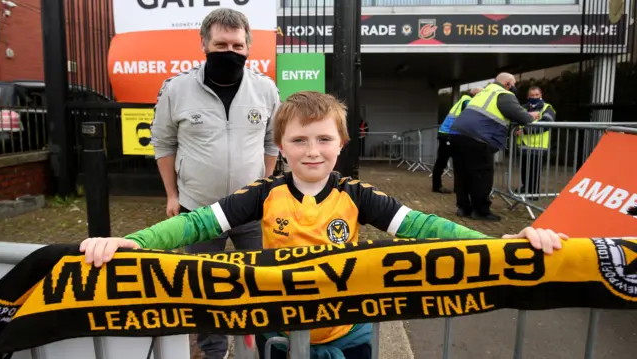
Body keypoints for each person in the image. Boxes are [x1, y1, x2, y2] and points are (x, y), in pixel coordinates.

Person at [81, 91, 567, 359]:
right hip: (280, 336)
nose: (312, 150)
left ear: (340, 144)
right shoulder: (262, 194)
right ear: (281, 147)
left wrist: (497, 243)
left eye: (323, 139)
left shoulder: (356, 195)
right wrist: (132, 242)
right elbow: (194, 224)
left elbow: (422, 225)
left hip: (351, 337)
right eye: (299, 140)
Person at [149, 8, 280, 359]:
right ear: (204, 44)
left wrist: (264, 188)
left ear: (249, 47)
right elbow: (163, 144)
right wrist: (172, 195)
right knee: (204, 287)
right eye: (221, 43)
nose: (230, 51)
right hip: (199, 209)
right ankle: (214, 351)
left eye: (238, 44)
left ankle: (259, 347)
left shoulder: (265, 90)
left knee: (260, 283)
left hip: (252, 210)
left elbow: (272, 143)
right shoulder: (176, 89)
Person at [450, 73, 540, 222]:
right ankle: (481, 211)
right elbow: (522, 117)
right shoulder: (503, 95)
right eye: (514, 83)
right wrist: (533, 115)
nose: (515, 87)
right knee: (482, 176)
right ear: (507, 84)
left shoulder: (484, 93)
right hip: (478, 139)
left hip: (457, 135)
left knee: (463, 174)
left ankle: (464, 208)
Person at [432, 88, 482, 194]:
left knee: (447, 161)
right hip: (450, 135)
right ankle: (438, 186)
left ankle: (452, 187)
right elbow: (472, 117)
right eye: (480, 95)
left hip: (447, 134)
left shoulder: (464, 100)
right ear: (475, 95)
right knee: (446, 161)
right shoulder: (468, 101)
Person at [516, 86, 556, 196]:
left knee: (535, 169)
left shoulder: (547, 107)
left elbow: (547, 123)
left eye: (536, 95)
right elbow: (515, 120)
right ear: (527, 96)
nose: (534, 97)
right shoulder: (523, 108)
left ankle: (534, 191)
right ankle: (525, 187)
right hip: (523, 143)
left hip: (538, 144)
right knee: (524, 167)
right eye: (532, 95)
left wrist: (526, 131)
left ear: (541, 95)